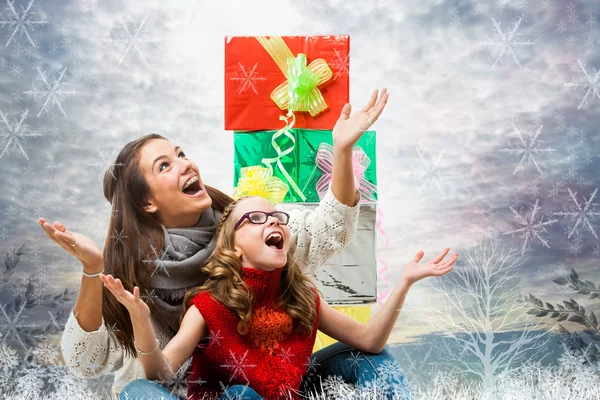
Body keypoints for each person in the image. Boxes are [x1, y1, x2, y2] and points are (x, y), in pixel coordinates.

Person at [39, 90, 404, 398]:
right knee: (138, 392)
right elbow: (85, 362)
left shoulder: (246, 230)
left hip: (269, 387)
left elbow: (331, 227)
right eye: (164, 165)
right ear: (147, 202)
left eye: (181, 154)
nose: (185, 164)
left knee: (369, 359)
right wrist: (92, 270)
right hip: (181, 393)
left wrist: (341, 152)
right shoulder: (127, 277)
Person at [101, 195, 457, 399]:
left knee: (366, 358)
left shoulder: (302, 297)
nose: (272, 221)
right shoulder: (210, 304)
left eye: (276, 216)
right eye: (255, 218)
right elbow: (159, 372)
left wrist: (405, 282)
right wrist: (140, 320)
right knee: (139, 392)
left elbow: (370, 341)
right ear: (234, 249)